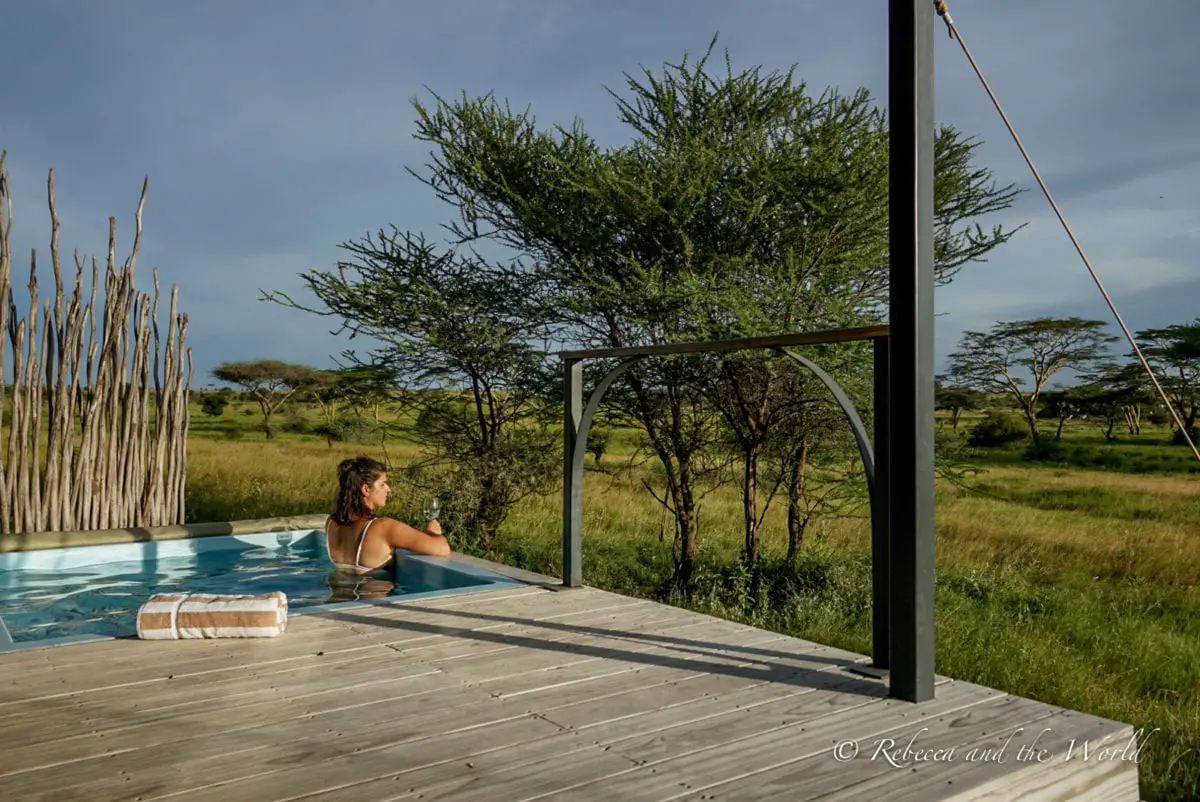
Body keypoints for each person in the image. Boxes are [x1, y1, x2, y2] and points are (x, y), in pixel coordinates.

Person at [324, 456, 451, 577]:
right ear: (366, 489)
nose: (388, 489)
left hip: (338, 597)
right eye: (382, 484)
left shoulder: (331, 523)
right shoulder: (384, 527)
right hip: (374, 598)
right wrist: (434, 533)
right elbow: (442, 548)